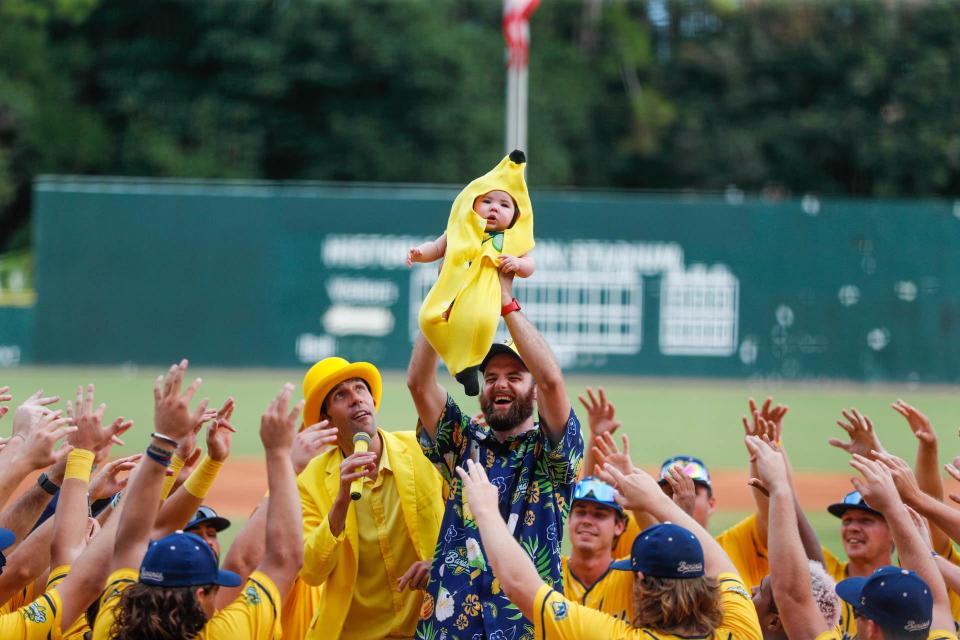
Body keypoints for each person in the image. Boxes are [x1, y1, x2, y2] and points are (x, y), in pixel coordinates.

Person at [408, 265, 584, 639]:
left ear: (533, 390)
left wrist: (507, 303)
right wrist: (444, 291)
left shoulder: (552, 455)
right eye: (491, 378)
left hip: (524, 626)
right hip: (450, 625)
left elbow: (552, 381)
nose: (499, 384)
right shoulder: (463, 442)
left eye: (514, 377)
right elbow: (419, 384)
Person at [91, 363, 304, 639]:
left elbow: (130, 539)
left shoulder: (111, 623)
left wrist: (168, 444)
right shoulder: (225, 632)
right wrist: (281, 457)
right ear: (200, 595)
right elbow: (267, 561)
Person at [456, 458, 762, 639]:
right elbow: (721, 563)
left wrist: (483, 509)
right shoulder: (741, 625)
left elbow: (520, 584)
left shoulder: (615, 635)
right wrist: (657, 503)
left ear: (640, 583)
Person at [297, 357, 443, 640]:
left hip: (431, 628)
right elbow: (311, 572)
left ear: (373, 401)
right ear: (326, 420)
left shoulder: (423, 449)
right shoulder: (309, 481)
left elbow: (471, 520)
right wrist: (340, 501)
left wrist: (441, 565)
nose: (356, 399)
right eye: (341, 395)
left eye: (360, 389)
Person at [408, 150, 535, 396]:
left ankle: (469, 364)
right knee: (426, 317)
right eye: (487, 202)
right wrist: (419, 253)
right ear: (473, 204)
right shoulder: (460, 231)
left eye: (504, 205)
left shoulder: (510, 242)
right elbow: (436, 247)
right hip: (449, 292)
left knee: (482, 324)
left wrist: (518, 265)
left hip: (483, 296)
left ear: (515, 217)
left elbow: (530, 265)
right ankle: (460, 365)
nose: (494, 209)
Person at [744, 435, 841, 640]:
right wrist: (782, 492)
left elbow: (793, 593)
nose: (751, 589)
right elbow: (815, 569)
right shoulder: (828, 629)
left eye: (761, 590)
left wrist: (781, 491)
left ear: (774, 622)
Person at [561, 476, 633, 621]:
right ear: (569, 520)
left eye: (599, 515)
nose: (587, 521)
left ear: (619, 526)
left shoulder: (633, 577)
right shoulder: (550, 571)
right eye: (580, 512)